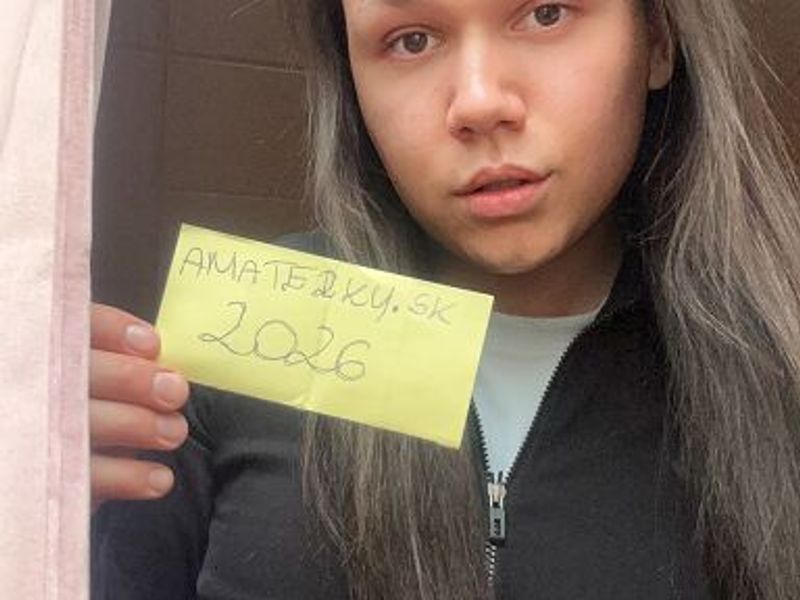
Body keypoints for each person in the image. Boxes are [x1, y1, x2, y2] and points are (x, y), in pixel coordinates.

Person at [90, 0, 800, 598]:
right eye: (410, 40)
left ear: (657, 38)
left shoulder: (782, 362)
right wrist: (47, 521)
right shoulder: (233, 340)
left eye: (545, 14)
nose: (480, 102)